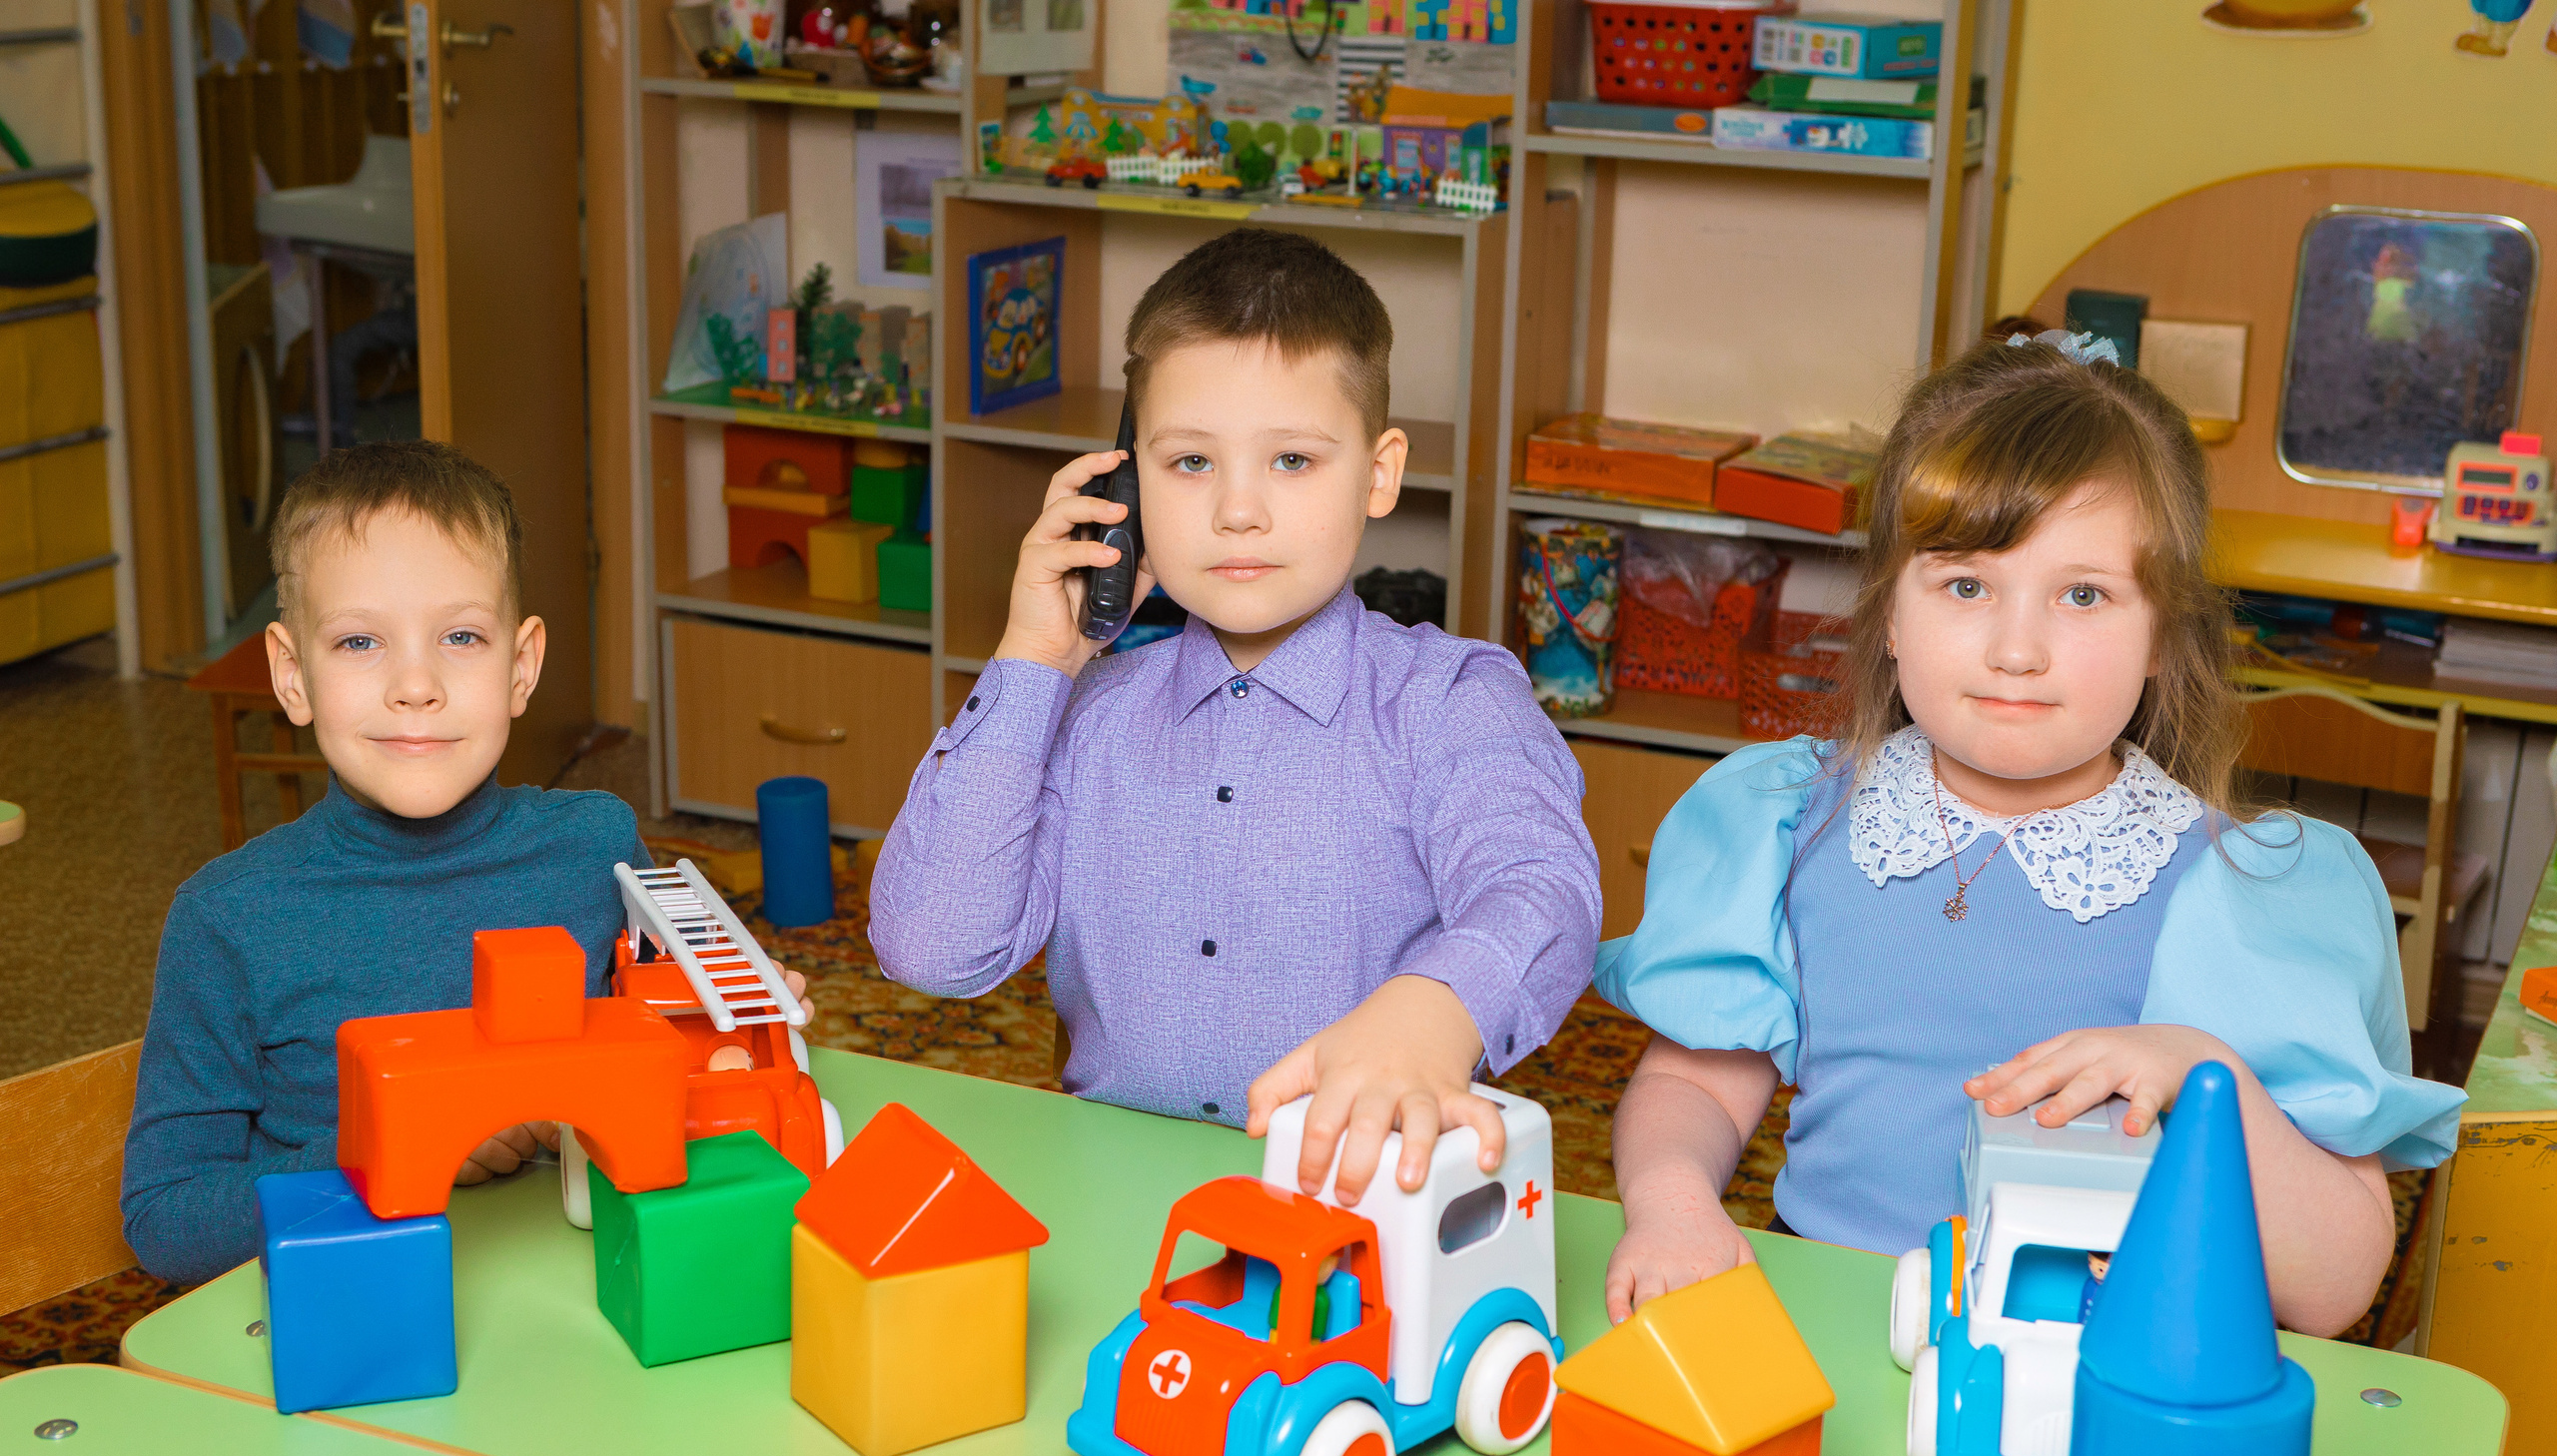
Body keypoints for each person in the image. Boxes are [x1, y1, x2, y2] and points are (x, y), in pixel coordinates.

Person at [1595, 330, 2462, 1337]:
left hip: (2083, 1378)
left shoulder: (2242, 889)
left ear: (2159, 638)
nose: (2016, 649)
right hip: (1820, 1339)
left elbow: (2334, 1283)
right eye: (1966, 586)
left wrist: (2199, 1074)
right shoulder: (1788, 818)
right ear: (1887, 615)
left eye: (2083, 595)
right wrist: (1670, 1201)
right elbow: (1699, 1077)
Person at [870, 229, 1601, 1205]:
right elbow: (930, 947)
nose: (1238, 512)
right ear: (1122, 488)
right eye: (1188, 464)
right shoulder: (1090, 715)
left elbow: (1541, 885)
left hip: (1360, 1216)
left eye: (1292, 460)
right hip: (1116, 1203)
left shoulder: (1451, 703)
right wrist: (1033, 661)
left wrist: (1435, 1007)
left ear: (1379, 475)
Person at [125, 444, 670, 1284]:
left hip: (579, 1306)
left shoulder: (596, 847)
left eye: (460, 635)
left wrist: (735, 1017)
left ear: (519, 667)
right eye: (358, 641)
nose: (416, 684)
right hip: (353, 1331)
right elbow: (166, 1221)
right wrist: (391, 1137)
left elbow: (676, 1058)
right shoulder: (228, 918)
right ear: (291, 674)